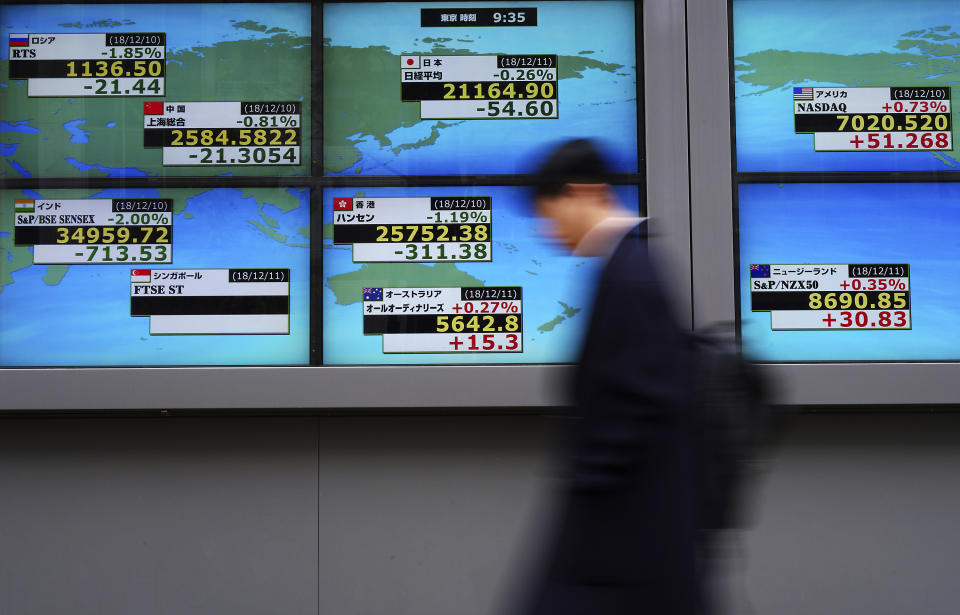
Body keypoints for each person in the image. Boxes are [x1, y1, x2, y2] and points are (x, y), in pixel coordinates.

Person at [517, 139, 704, 614]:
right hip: (627, 540)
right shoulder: (626, 266)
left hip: (622, 540)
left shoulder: (631, 275)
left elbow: (638, 404)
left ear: (584, 192)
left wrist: (589, 486)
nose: (547, 228)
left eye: (550, 210)